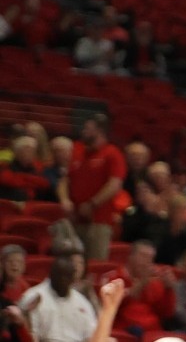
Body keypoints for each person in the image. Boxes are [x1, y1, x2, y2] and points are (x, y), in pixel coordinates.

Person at [58, 115, 126, 261]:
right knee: (69, 261)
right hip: (74, 219)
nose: (84, 131)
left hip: (98, 221)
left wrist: (92, 203)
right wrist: (64, 200)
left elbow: (114, 184)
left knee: (95, 263)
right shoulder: (77, 151)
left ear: (100, 131)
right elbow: (64, 180)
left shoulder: (112, 153)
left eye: (88, 129)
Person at [18, 255, 96, 342]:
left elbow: (91, 336)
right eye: (60, 275)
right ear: (51, 274)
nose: (63, 280)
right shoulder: (32, 297)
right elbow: (30, 336)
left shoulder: (82, 303)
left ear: (73, 278)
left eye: (67, 276)